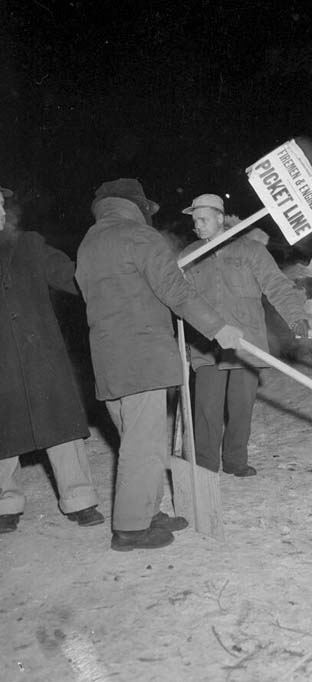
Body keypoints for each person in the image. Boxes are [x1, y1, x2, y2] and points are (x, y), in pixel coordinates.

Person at [75, 179, 244, 551]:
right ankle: (132, 528)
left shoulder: (89, 243)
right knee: (143, 443)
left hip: (107, 359)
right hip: (143, 357)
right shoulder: (140, 237)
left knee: (138, 441)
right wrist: (218, 327)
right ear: (136, 207)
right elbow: (175, 292)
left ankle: (147, 511)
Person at [178, 194, 311, 477]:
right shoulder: (188, 256)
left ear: (219, 218)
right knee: (206, 410)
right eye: (194, 222)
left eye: (202, 220)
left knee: (240, 408)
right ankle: (205, 467)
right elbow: (176, 294)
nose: (197, 226)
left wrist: (296, 317)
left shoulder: (251, 251)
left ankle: (236, 461)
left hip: (245, 342)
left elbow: (276, 285)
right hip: (207, 343)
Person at [0, 185, 104, 533]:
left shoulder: (28, 244)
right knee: (2, 430)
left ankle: (80, 499)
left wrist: (114, 276)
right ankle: (5, 504)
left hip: (40, 354)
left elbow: (71, 275)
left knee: (60, 425)